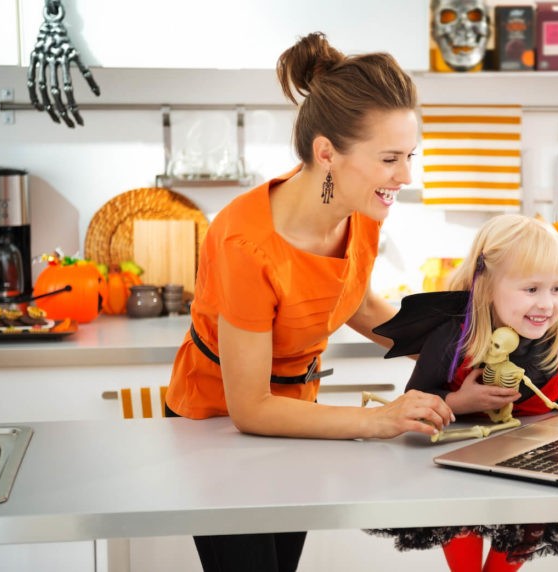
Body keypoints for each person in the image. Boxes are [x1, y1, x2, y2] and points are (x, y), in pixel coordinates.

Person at [163, 32, 454, 572]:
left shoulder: (361, 208)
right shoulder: (244, 242)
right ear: (327, 153)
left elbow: (359, 306)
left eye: (410, 156)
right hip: (216, 424)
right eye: (390, 158)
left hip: (296, 413)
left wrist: (455, 356)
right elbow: (249, 408)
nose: (406, 176)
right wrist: (380, 419)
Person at [367, 214, 558, 571]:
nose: (547, 304)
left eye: (556, 288)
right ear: (485, 286)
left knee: (517, 542)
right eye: (531, 289)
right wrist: (457, 402)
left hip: (531, 455)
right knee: (464, 541)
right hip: (460, 459)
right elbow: (415, 398)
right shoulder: (453, 337)